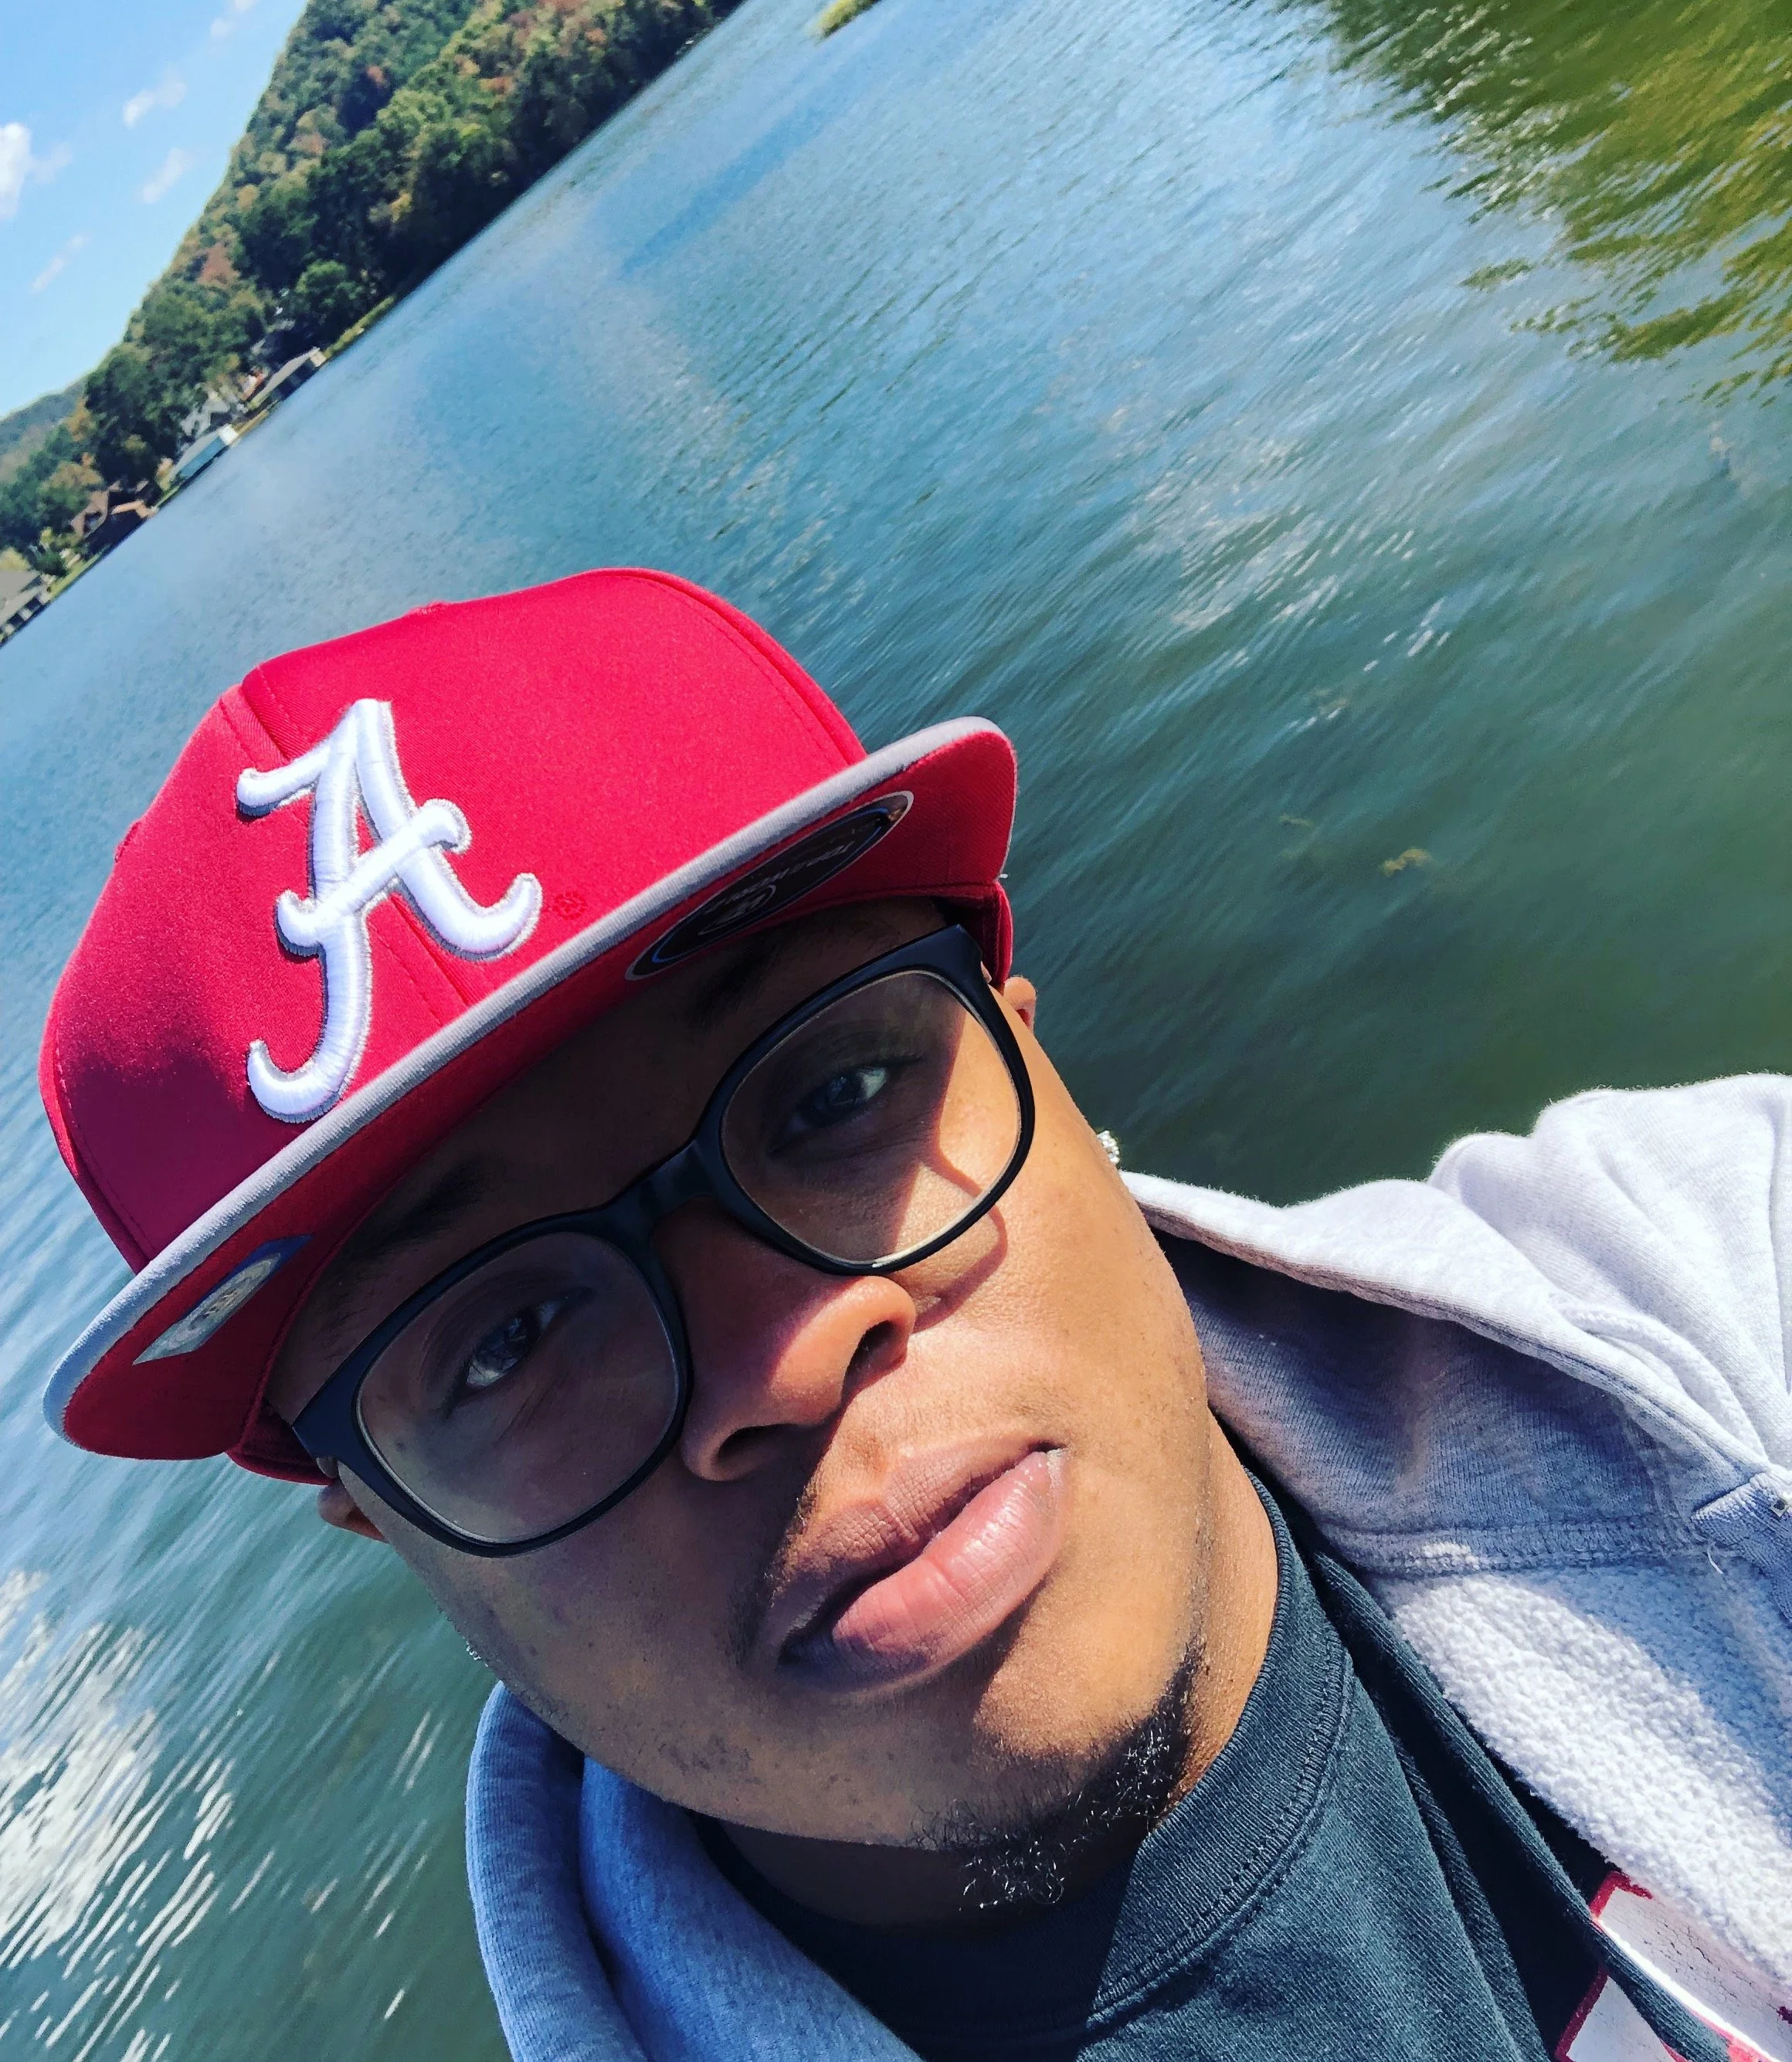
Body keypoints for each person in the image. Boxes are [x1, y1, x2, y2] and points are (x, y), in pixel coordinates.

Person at [38, 568, 1791, 2062]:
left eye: (831, 1095)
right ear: (378, 1519)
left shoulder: (1712, 1281)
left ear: (1028, 1033)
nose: (782, 1358)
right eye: (502, 1343)